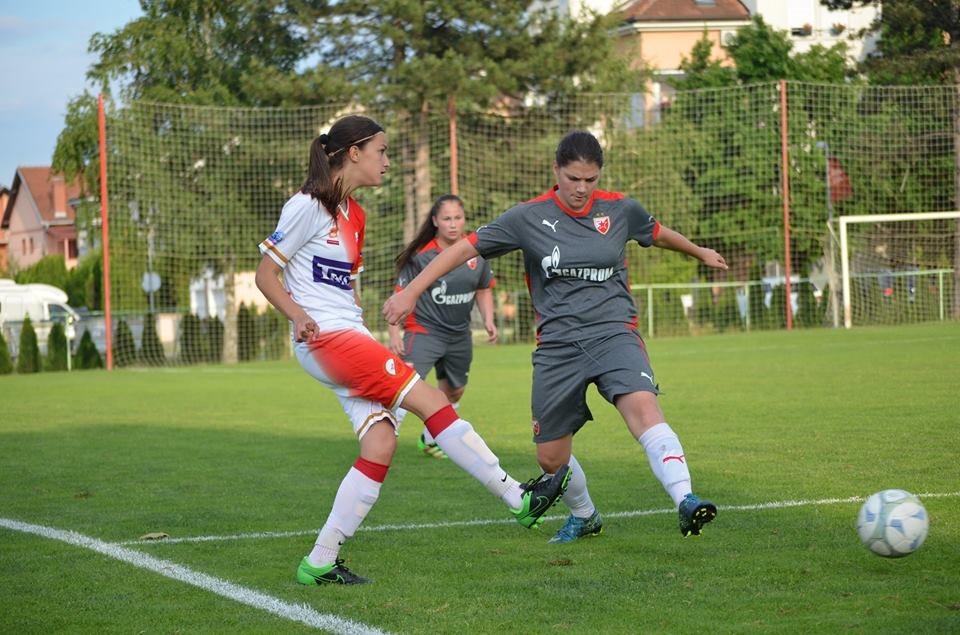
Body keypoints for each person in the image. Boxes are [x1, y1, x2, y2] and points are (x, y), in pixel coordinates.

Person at [255, 115, 571, 585]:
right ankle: (518, 498)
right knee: (433, 402)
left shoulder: (355, 215)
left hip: (350, 336)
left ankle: (319, 560)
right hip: (327, 341)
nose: (387, 161)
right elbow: (265, 275)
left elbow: (345, 287)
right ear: (354, 153)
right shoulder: (306, 206)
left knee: (381, 442)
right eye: (381, 151)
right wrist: (298, 316)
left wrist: (368, 326)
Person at [384, 130, 727, 543]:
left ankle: (685, 498)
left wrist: (699, 252)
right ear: (556, 171)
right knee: (550, 458)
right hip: (558, 347)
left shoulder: (620, 210)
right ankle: (585, 516)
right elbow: (462, 250)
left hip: (614, 333)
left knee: (644, 411)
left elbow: (657, 233)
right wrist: (411, 291)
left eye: (591, 179)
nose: (582, 188)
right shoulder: (527, 217)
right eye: (573, 178)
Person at [388, 194, 498, 459]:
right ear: (435, 221)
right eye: (447, 218)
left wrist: (489, 319)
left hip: (459, 335)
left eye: (458, 218)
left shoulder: (476, 252)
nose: (453, 223)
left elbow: (483, 289)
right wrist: (393, 333)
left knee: (454, 390)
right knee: (403, 387)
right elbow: (399, 295)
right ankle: (382, 444)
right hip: (424, 331)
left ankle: (429, 440)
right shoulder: (421, 256)